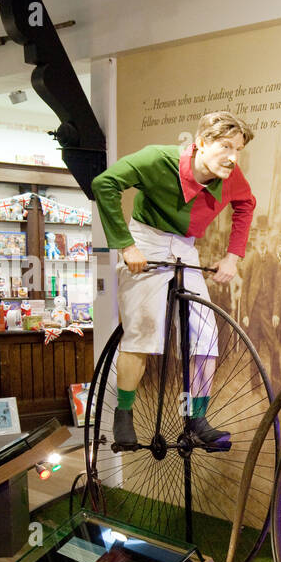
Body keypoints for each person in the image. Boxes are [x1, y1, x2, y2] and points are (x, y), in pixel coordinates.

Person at [92, 111, 257, 450]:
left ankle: (195, 418)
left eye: (238, 149)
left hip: (185, 247)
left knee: (205, 335)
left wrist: (233, 256)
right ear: (200, 143)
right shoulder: (158, 159)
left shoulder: (231, 176)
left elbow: (246, 205)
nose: (232, 157)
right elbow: (104, 184)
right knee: (143, 330)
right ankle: (123, 415)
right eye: (225, 146)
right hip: (147, 240)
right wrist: (125, 245)